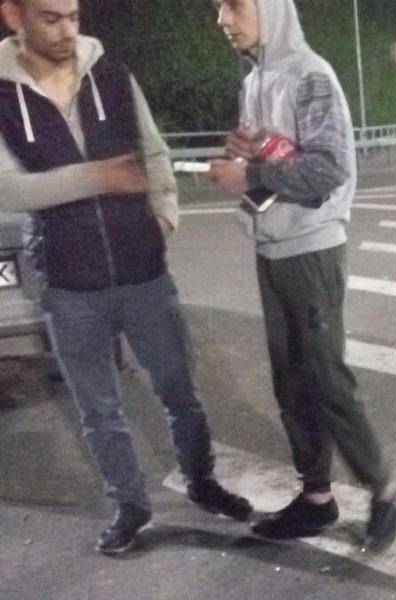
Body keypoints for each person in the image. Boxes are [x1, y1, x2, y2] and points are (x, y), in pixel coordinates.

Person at [0, 0, 253, 555]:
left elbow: (154, 152)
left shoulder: (113, 76)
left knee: (180, 391)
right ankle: (130, 507)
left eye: (73, 16)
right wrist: (98, 177)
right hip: (69, 283)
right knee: (99, 411)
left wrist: (165, 215)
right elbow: (8, 188)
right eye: (50, 18)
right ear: (14, 17)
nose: (67, 29)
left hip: (143, 272)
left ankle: (202, 481)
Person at [208, 0, 396, 552]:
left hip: (311, 248)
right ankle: (316, 499)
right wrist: (243, 153)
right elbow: (272, 156)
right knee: (291, 381)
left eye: (233, 4)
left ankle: (383, 491)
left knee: (325, 378)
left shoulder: (309, 75)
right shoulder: (254, 81)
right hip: (271, 245)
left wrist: (250, 172)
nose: (222, 19)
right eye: (217, 7)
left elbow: (328, 166)